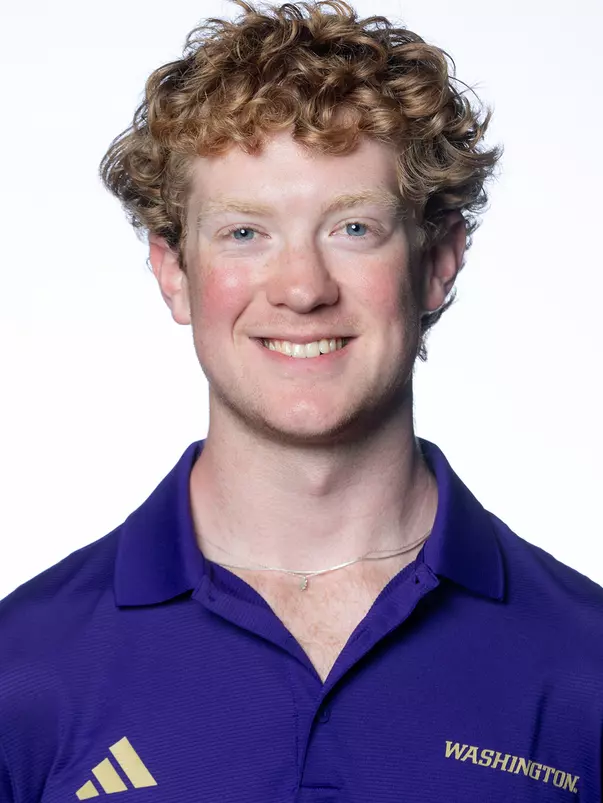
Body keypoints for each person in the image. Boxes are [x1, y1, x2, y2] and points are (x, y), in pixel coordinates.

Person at [1, 1, 602, 800]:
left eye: (352, 227)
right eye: (244, 233)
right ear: (172, 272)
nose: (301, 288)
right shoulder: (23, 672)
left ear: (438, 261)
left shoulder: (582, 666)